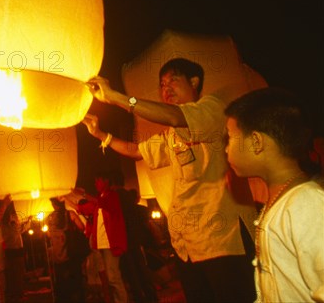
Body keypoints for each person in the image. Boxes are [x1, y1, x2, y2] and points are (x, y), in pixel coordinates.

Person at [83, 58, 257, 303]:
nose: (166, 88)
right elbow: (136, 150)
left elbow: (176, 117)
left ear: (194, 82)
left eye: (173, 80)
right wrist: (101, 134)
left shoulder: (213, 108)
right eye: (162, 84)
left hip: (224, 240)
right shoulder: (172, 136)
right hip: (188, 246)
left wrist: (117, 98)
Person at [224, 87, 324, 302]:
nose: (225, 149)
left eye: (230, 138)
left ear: (256, 142)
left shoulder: (307, 204)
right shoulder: (278, 201)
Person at [77, 171, 129, 303]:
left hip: (110, 243)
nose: (95, 183)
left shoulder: (111, 196)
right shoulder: (101, 197)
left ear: (106, 181)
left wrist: (84, 194)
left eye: (97, 180)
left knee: (113, 277)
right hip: (101, 244)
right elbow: (85, 208)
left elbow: (102, 203)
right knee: (109, 277)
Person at [47, 197, 86, 303]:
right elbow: (82, 227)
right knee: (75, 278)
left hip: (57, 254)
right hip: (70, 252)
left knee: (61, 280)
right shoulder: (70, 214)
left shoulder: (49, 218)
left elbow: (49, 234)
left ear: (54, 205)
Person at [0, 202, 28, 303]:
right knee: (12, 274)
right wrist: (16, 227)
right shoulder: (4, 226)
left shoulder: (15, 224)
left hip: (18, 250)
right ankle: (14, 295)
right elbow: (7, 237)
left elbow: (21, 230)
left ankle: (20, 293)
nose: (13, 216)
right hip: (11, 251)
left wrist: (29, 221)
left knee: (20, 272)